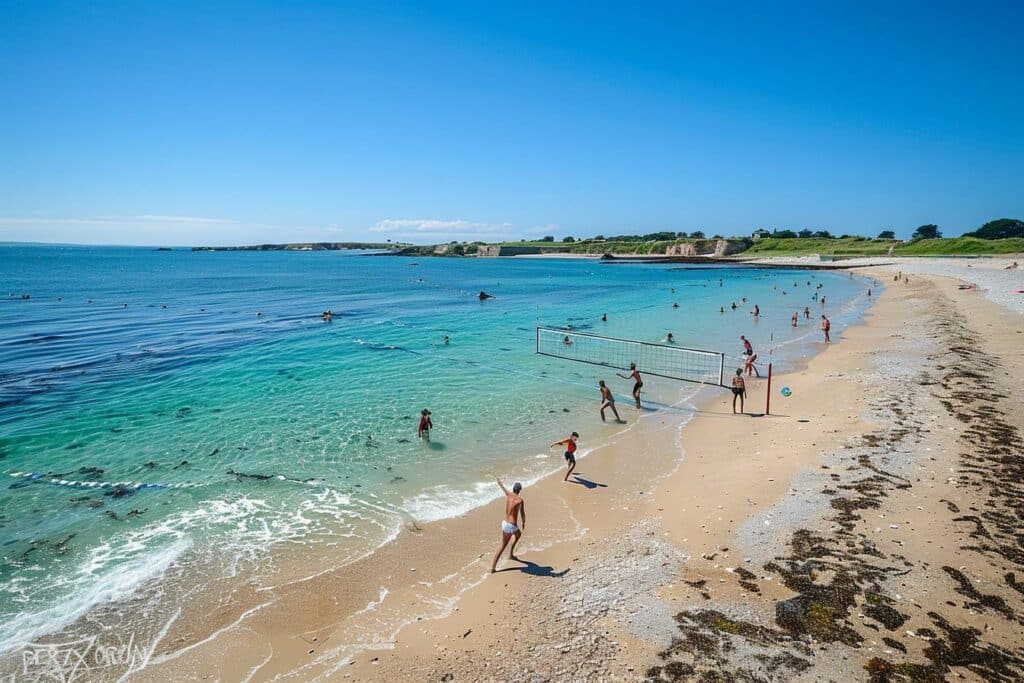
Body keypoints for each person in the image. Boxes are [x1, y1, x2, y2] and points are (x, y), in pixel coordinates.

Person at [490, 479, 525, 572]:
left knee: (518, 535)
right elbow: (522, 514)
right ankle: (492, 568)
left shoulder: (508, 494)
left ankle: (511, 555)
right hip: (511, 526)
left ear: (513, 489)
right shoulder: (520, 500)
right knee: (502, 546)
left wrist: (499, 482)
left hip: (506, 524)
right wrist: (524, 522)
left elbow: (502, 487)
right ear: (519, 490)